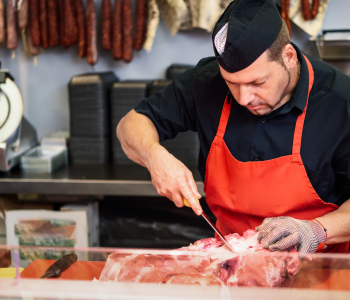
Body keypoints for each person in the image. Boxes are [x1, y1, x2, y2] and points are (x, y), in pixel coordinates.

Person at [117, 0, 350, 254]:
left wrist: (315, 230)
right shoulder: (206, 82)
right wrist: (155, 157)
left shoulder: (340, 103)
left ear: (289, 57)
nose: (243, 98)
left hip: (320, 271)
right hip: (233, 267)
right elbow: (131, 124)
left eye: (257, 82)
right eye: (232, 83)